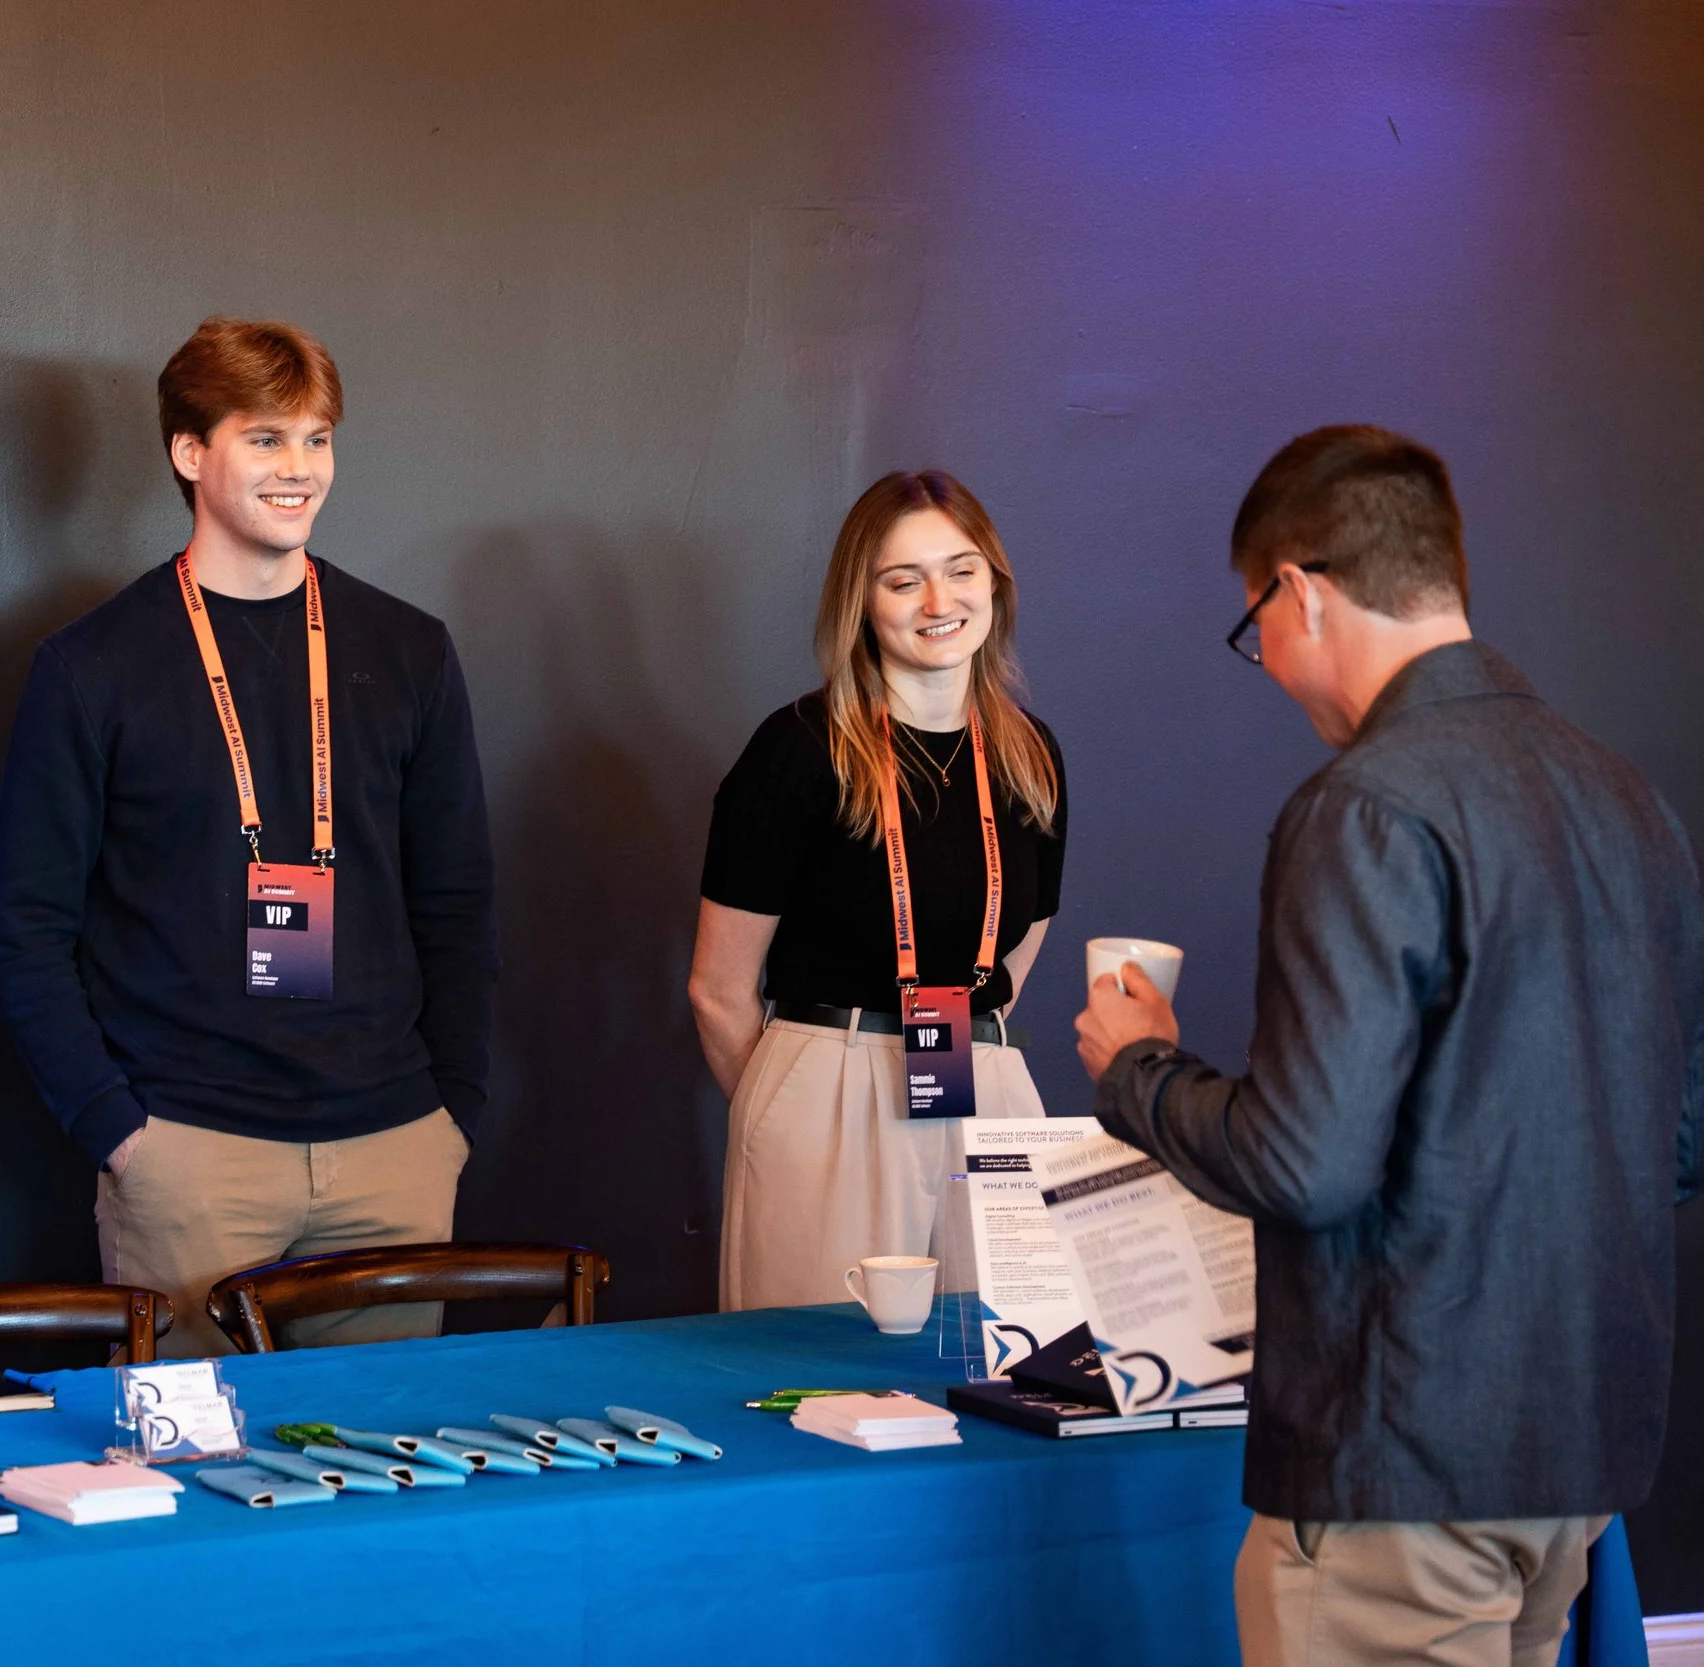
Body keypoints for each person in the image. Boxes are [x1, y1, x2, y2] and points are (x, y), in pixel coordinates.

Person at [1074, 425, 1703, 1667]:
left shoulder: (1363, 804)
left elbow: (1307, 1162)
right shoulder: (1629, 800)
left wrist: (1137, 1069)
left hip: (1398, 1461)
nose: (1268, 665)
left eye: (1255, 632)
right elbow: (1671, 1139)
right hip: (1580, 1455)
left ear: (1299, 591)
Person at [0, 316, 496, 1358]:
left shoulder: (408, 649)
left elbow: (457, 898)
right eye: (265, 438)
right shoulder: (92, 666)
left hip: (392, 1147)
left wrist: (454, 1112)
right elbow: (24, 927)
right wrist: (121, 1134)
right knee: (199, 1483)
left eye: (316, 439)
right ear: (189, 451)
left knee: (384, 1481)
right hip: (189, 1155)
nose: (298, 468)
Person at [691, 471, 1066, 1311]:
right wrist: (798, 1108)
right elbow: (719, 991)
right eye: (904, 579)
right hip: (834, 1083)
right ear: (862, 600)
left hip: (981, 1076)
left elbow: (1025, 935)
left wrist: (963, 1034)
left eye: (961, 569)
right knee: (819, 1380)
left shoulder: (1029, 753)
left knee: (1008, 1359)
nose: (940, 598)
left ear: (994, 582)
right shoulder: (795, 749)